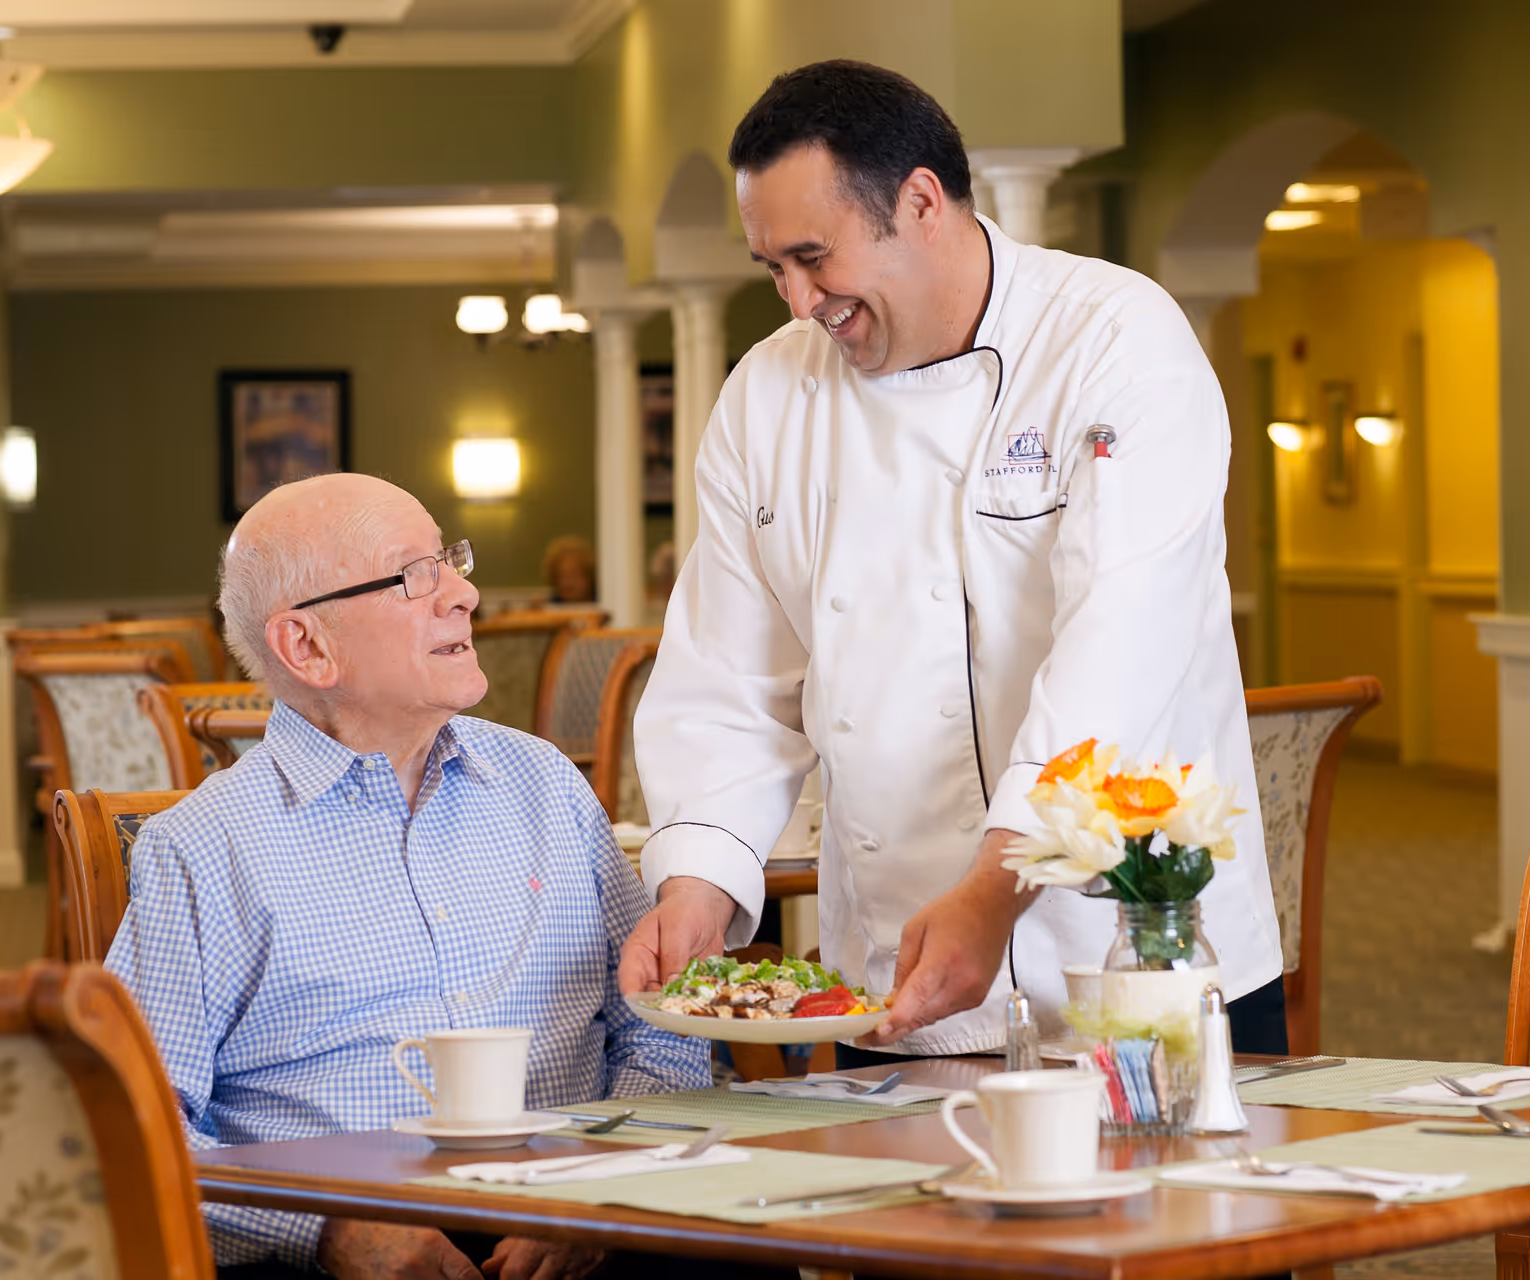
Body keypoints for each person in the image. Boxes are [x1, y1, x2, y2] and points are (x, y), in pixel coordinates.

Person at [622, 60, 1284, 1065]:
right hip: (893, 980)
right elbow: (730, 680)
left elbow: (1121, 652)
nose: (799, 302)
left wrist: (997, 886)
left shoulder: (1115, 343)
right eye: (772, 268)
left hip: (1133, 955)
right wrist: (700, 881)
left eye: (813, 256)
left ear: (921, 202)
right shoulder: (765, 396)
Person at [106, 473, 710, 1279]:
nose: (465, 593)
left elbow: (659, 1026)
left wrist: (605, 1194)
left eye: (450, 562)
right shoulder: (202, 852)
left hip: (589, 1220)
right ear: (305, 646)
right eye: (414, 575)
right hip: (334, 1251)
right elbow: (129, 1125)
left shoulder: (546, 784)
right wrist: (323, 1231)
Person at [542, 534, 598, 603]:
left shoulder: (604, 604)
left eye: (573, 574)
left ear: (589, 576)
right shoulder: (552, 606)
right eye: (560, 576)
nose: (567, 583)